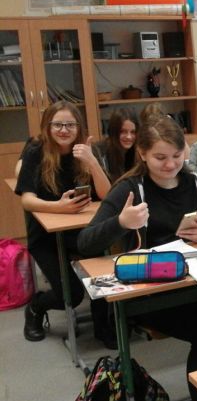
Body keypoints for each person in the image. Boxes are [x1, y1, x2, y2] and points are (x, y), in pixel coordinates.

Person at [77, 116, 197, 401]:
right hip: (153, 290)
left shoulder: (193, 183)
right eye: (160, 158)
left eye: (177, 156)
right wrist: (121, 222)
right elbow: (85, 243)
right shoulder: (130, 188)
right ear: (143, 153)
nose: (170, 164)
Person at [15, 101, 112, 345]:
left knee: (100, 279)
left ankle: (103, 326)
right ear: (47, 127)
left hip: (82, 231)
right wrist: (58, 207)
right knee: (72, 294)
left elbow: (107, 195)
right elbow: (27, 200)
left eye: (70, 124)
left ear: (78, 127)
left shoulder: (86, 150)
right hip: (45, 236)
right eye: (57, 124)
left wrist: (92, 162)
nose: (64, 130)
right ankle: (36, 308)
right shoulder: (36, 151)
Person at [92, 109, 140, 183]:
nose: (129, 137)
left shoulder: (139, 151)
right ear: (114, 132)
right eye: (123, 131)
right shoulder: (99, 151)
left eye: (133, 132)